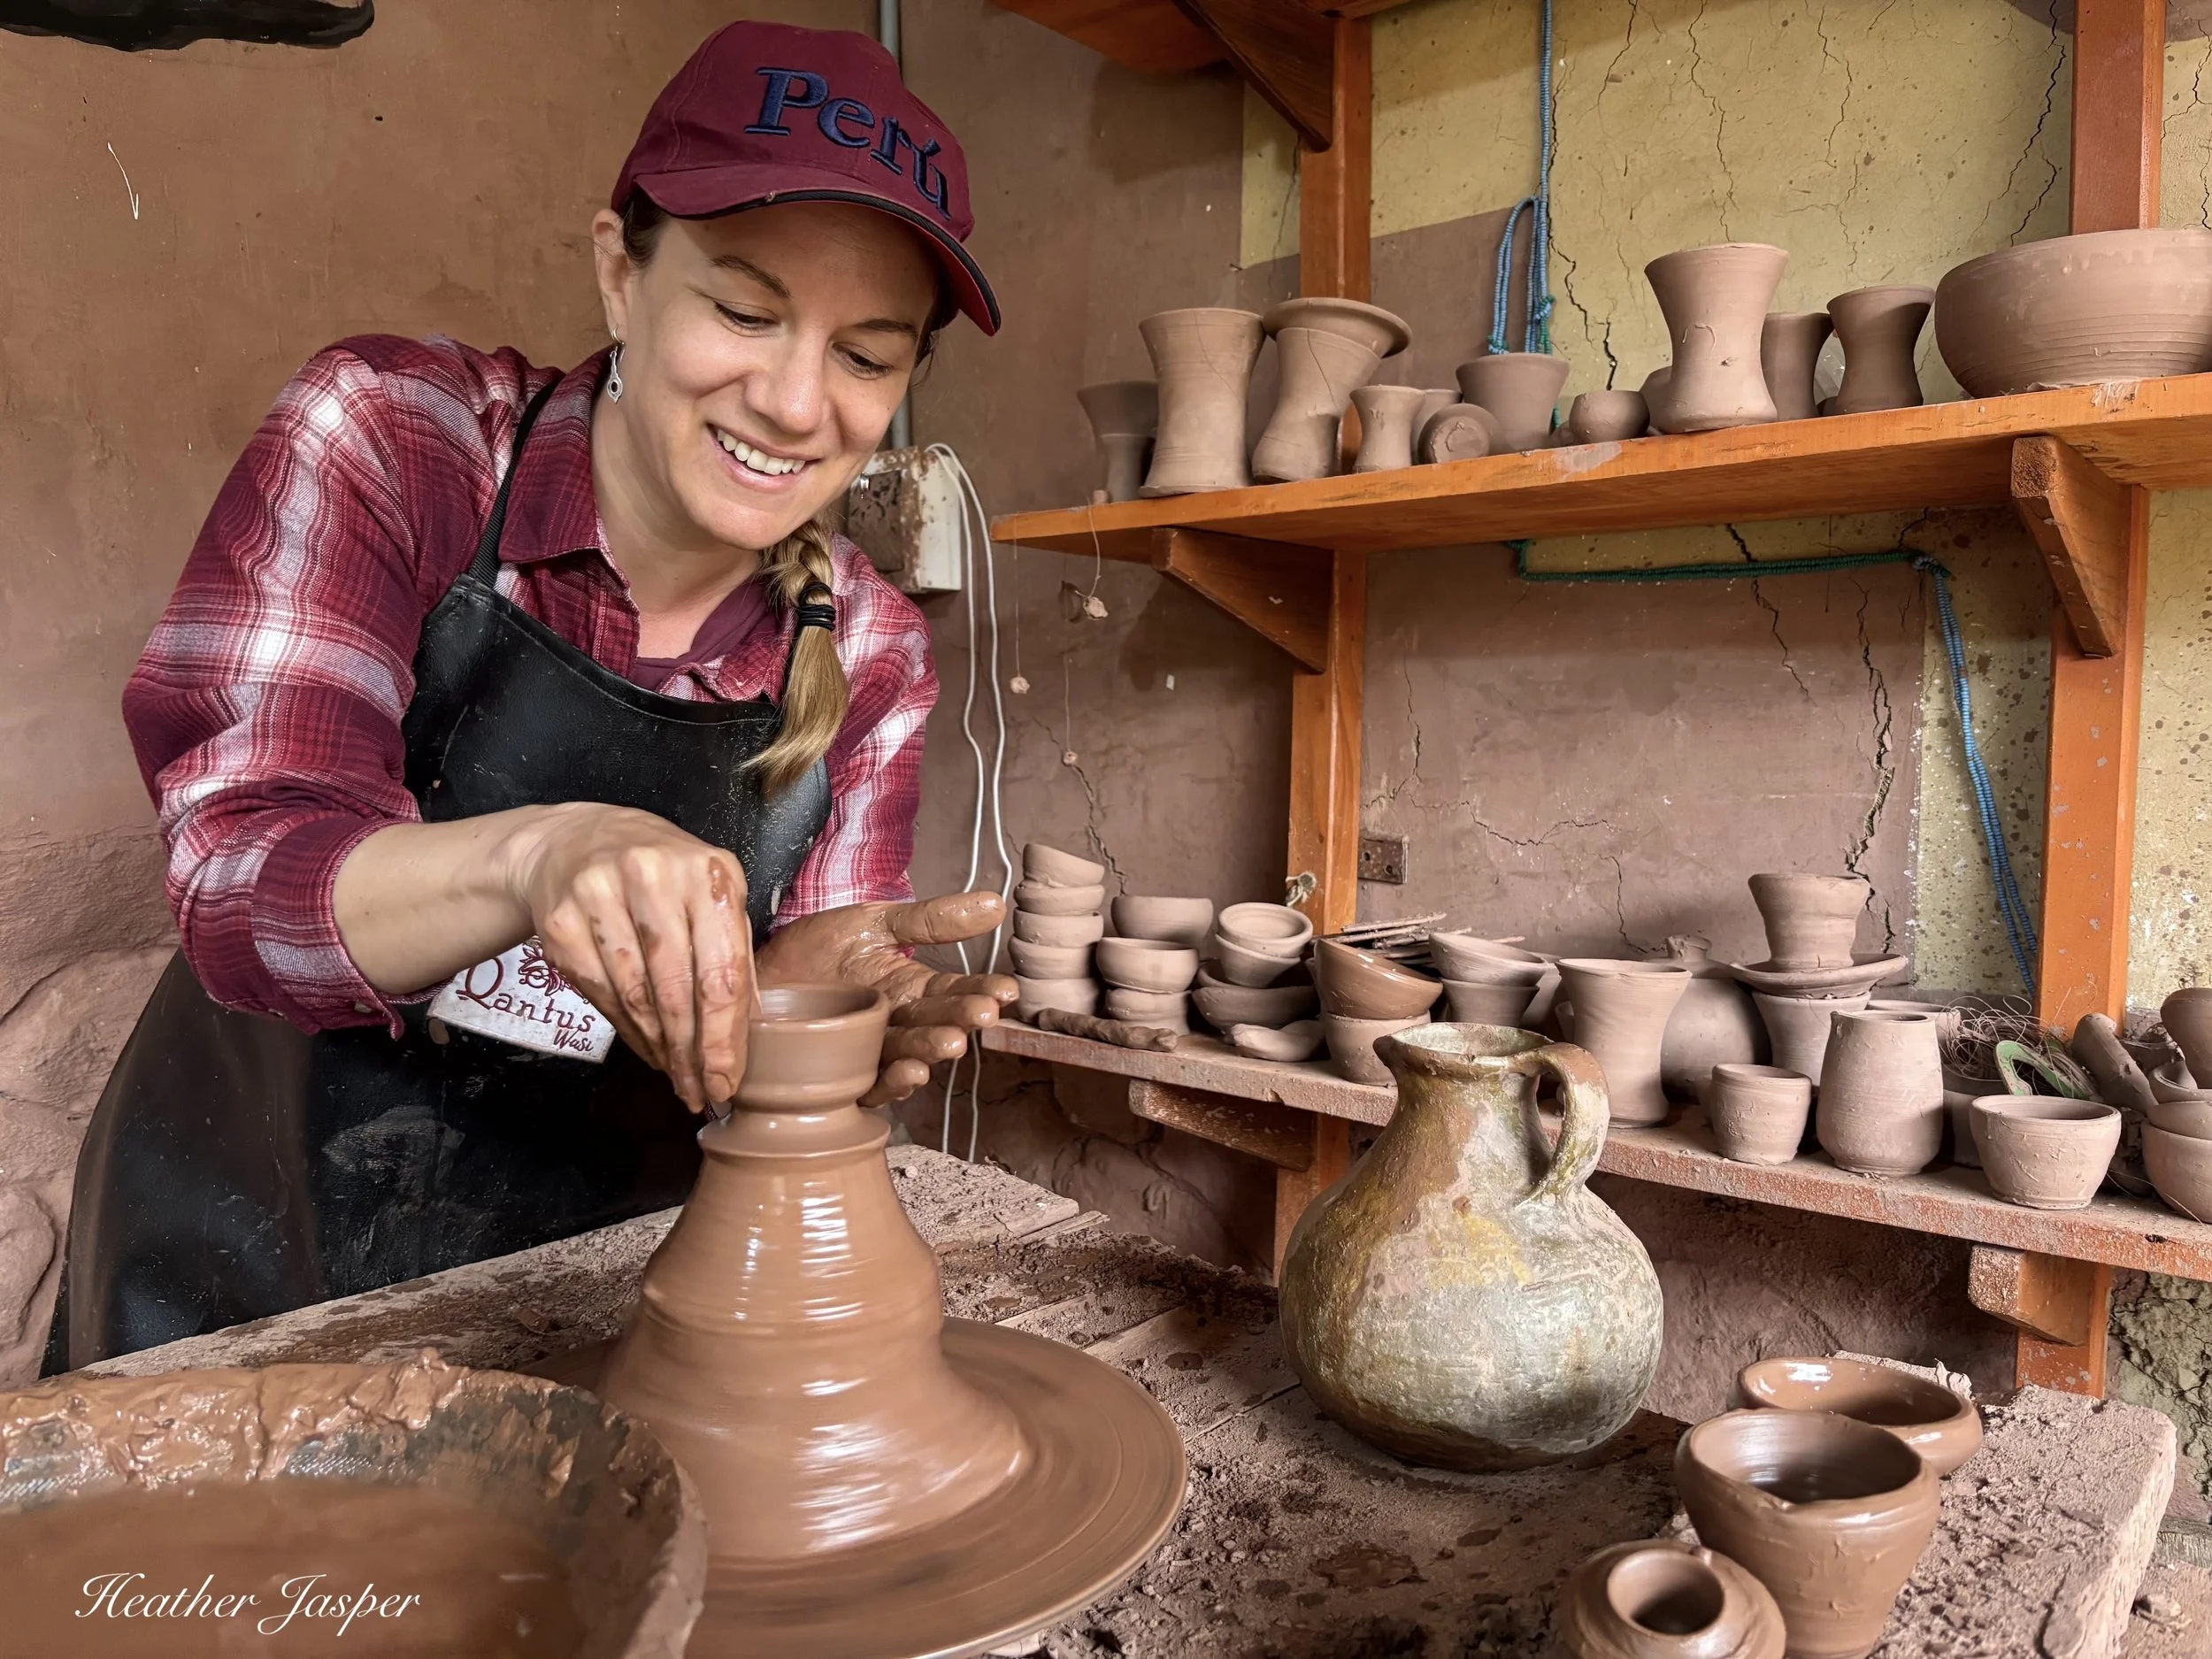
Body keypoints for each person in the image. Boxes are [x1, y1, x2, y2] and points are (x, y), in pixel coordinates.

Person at [50, 19, 1013, 1369]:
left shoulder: (871, 648)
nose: (798, 402)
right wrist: (541, 852)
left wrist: (820, 1009)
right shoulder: (394, 442)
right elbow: (239, 882)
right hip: (255, 1257)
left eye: (868, 353)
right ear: (621, 273)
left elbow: (772, 1015)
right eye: (743, 308)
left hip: (586, 1304)